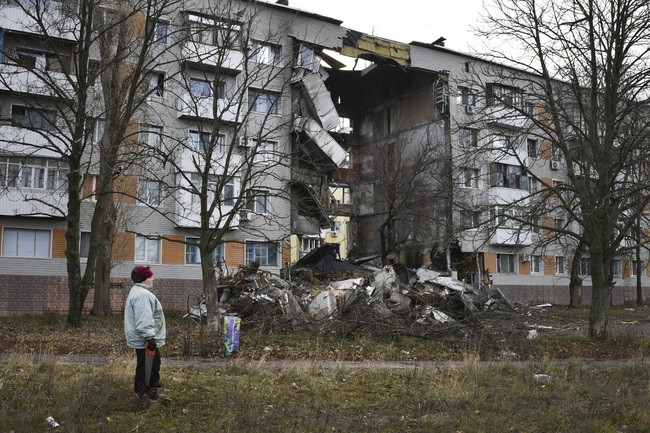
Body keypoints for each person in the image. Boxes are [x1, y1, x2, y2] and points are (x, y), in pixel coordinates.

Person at [124, 265, 167, 404]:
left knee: (154, 364)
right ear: (143, 279)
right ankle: (141, 396)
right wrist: (150, 337)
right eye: (150, 277)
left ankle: (151, 390)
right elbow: (144, 319)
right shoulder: (142, 295)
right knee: (145, 368)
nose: (152, 279)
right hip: (145, 339)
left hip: (147, 338)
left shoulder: (140, 292)